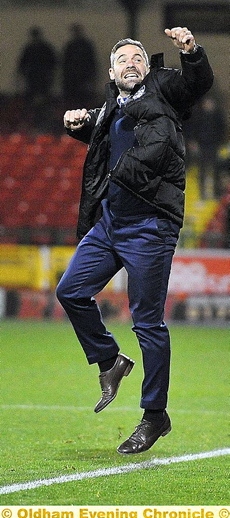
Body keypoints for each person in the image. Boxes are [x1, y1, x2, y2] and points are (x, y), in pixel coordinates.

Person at [56, 27, 213, 454]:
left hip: (150, 227)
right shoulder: (112, 107)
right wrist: (80, 123)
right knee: (69, 291)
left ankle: (154, 415)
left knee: (147, 323)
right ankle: (110, 360)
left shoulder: (164, 94)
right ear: (112, 71)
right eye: (123, 58)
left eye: (138, 58)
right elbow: (109, 140)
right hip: (109, 224)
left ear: (148, 68)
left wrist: (192, 53)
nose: (131, 62)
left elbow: (196, 83)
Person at [62, 24, 98, 107]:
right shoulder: (74, 46)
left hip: (81, 76)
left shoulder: (73, 46)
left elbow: (91, 62)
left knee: (81, 99)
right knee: (78, 99)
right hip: (76, 77)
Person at [18, 26, 57, 100]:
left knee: (43, 93)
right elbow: (23, 62)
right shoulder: (32, 48)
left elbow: (52, 62)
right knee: (34, 93)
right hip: (34, 74)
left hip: (42, 74)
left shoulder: (41, 48)